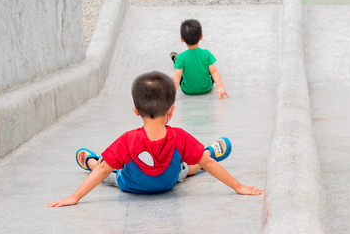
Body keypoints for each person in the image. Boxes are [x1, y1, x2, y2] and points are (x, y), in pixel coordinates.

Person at [47, 71, 262, 207]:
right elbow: (207, 165)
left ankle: (90, 161)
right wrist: (238, 187)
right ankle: (206, 151)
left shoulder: (128, 140)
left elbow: (103, 170)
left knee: (106, 170)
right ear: (171, 111)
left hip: (129, 185)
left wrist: (74, 197)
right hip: (170, 182)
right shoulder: (179, 136)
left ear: (135, 110)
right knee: (193, 165)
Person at [170, 19, 229, 98]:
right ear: (201, 36)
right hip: (206, 88)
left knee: (179, 71)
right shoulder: (206, 53)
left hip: (188, 90)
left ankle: (176, 60)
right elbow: (214, 72)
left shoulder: (182, 56)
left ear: (182, 39)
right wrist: (221, 88)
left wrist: (172, 96)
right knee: (211, 70)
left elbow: (177, 76)